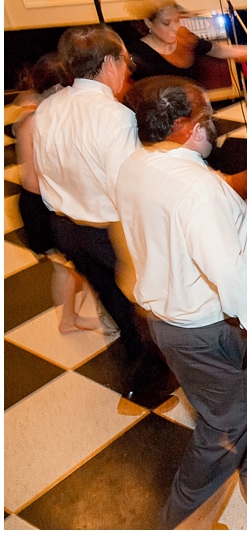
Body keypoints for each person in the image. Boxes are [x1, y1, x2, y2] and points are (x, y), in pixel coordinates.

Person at [116, 76, 247, 528]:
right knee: (228, 420)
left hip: (166, 320)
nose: (213, 126)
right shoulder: (197, 188)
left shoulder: (136, 164)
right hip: (207, 326)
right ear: (181, 126)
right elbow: (228, 272)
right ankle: (178, 521)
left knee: (226, 399)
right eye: (205, 118)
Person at [32, 25, 171, 406]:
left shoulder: (48, 108)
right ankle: (151, 377)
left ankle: (140, 367)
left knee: (116, 305)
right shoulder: (114, 117)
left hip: (65, 226)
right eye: (126, 60)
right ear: (109, 63)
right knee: (143, 302)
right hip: (109, 230)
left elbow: (45, 172)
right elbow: (129, 188)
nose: (128, 69)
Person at [13, 54, 114, 335]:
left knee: (74, 267)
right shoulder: (35, 119)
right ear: (58, 89)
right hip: (41, 206)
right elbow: (33, 180)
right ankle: (71, 321)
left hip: (47, 202)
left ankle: (72, 319)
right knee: (71, 268)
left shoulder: (39, 108)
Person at [125, 0, 247, 82]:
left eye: (177, 20)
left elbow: (224, 50)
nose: (175, 28)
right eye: (166, 23)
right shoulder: (136, 55)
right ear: (148, 23)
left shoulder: (185, 39)